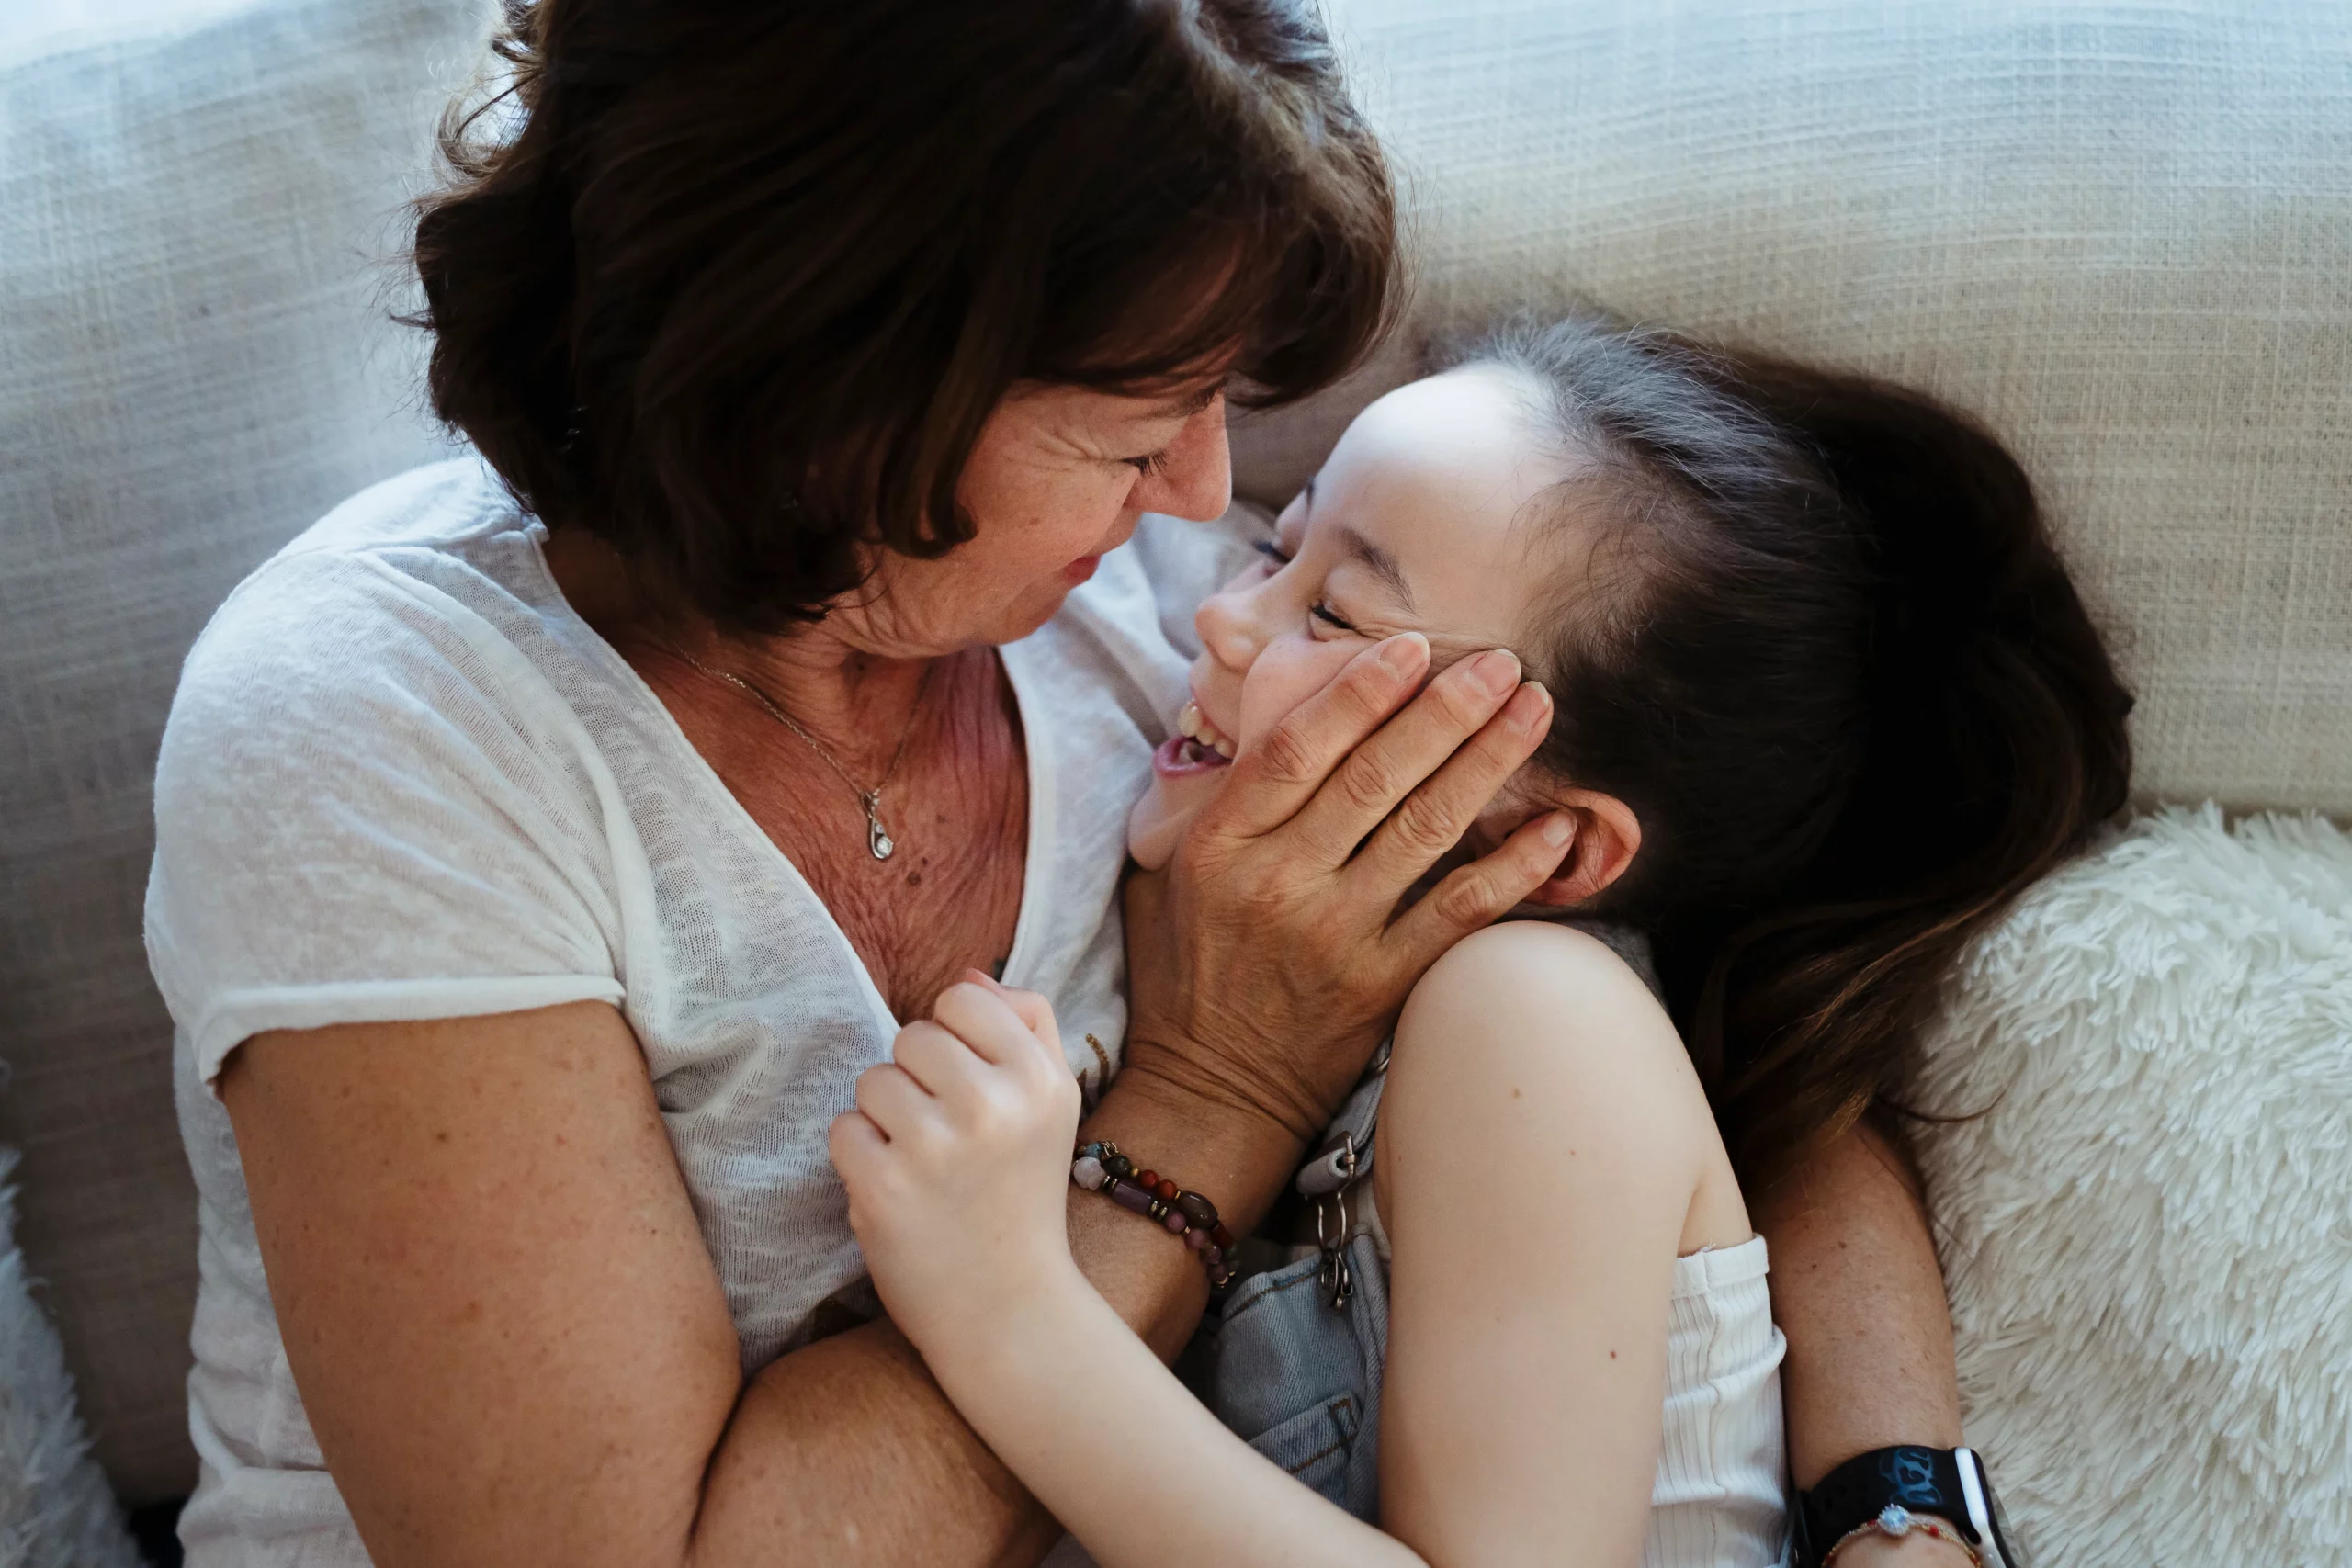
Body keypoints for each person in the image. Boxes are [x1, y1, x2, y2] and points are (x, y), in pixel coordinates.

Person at [146, 5, 1991, 1564]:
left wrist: (1903, 1508)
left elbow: (1753, 1047)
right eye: (1129, 427)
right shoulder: (387, 727)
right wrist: (1207, 1096)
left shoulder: (1188, 630)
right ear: (831, 388)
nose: (1203, 495)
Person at [829, 320, 2131, 1568]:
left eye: (1334, 614)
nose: (1222, 621)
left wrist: (1009, 1308)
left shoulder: (1535, 1015)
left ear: (1559, 847)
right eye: (1273, 547)